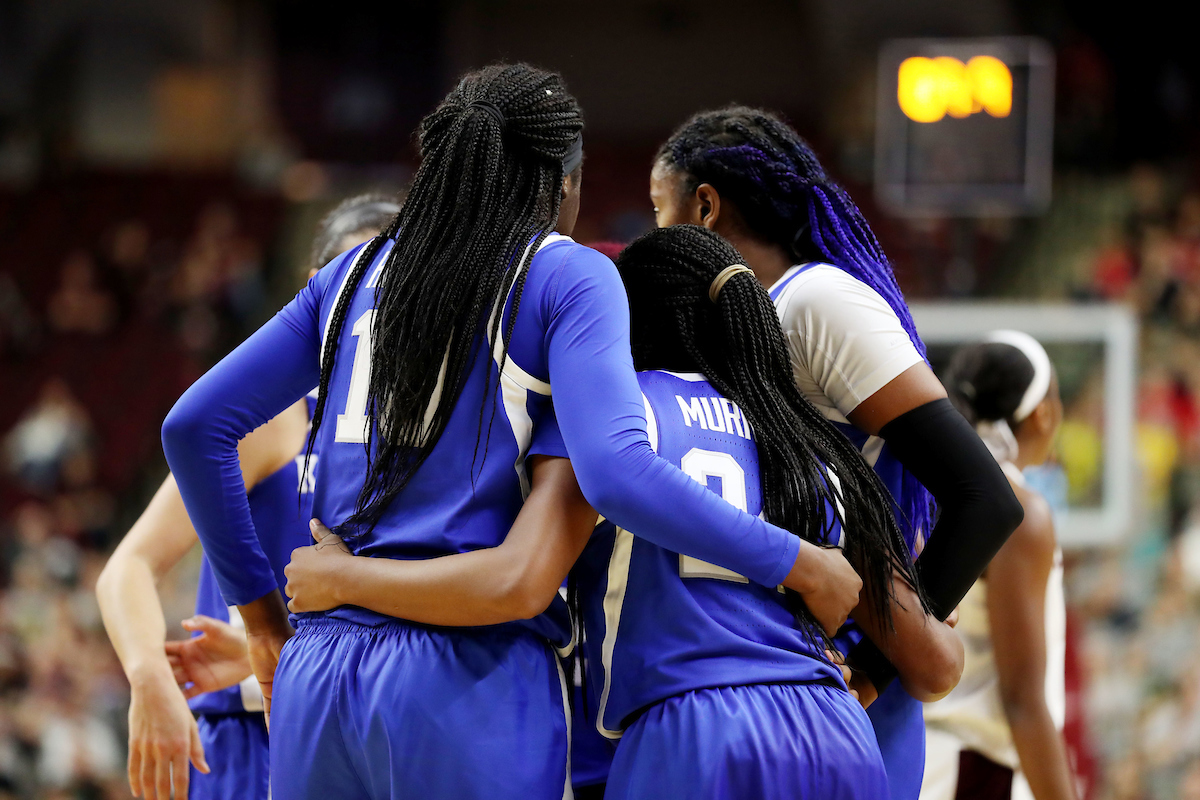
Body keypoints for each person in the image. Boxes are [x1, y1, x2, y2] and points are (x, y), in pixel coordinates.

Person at [160, 64, 861, 800]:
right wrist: (802, 563)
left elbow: (194, 426)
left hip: (322, 673)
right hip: (465, 669)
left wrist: (263, 623)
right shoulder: (564, 273)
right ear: (564, 183)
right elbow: (618, 472)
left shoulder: (346, 278)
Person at [649, 105, 1024, 798]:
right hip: (772, 679)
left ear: (704, 206)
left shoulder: (815, 300)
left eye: (658, 208)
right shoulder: (739, 325)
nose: (654, 232)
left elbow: (984, 497)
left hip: (847, 692)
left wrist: (880, 668)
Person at [569, 225, 963, 799]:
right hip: (835, 731)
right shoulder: (811, 443)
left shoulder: (621, 419)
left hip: (693, 729)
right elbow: (936, 662)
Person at [95, 193, 400, 800]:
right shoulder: (274, 418)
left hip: (351, 727)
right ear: (317, 288)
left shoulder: (416, 437)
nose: (372, 305)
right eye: (355, 279)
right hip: (244, 739)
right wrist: (149, 675)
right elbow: (127, 567)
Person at [921, 331, 1076, 800]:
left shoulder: (927, 486)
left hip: (920, 757)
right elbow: (1023, 701)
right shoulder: (1018, 512)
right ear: (1043, 413)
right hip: (975, 771)